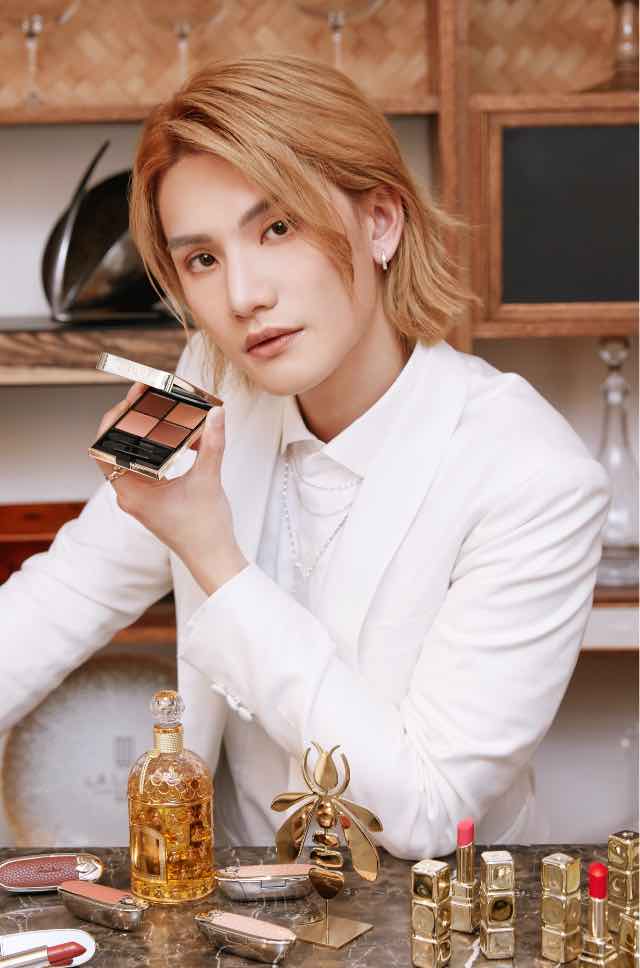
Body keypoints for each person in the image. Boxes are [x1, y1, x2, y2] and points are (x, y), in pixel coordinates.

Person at [0, 55, 609, 857]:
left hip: (431, 906)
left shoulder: (533, 475)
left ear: (380, 222)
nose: (242, 296)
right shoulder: (211, 378)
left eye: (277, 228)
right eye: (203, 259)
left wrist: (214, 556)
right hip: (234, 894)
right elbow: (64, 597)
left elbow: (427, 812)